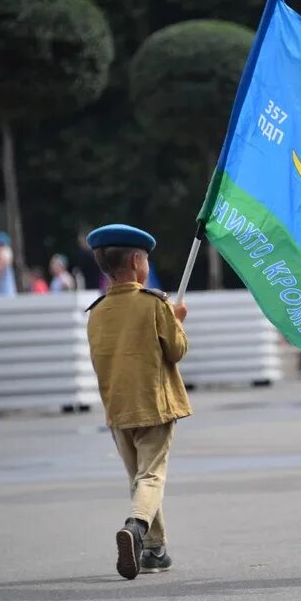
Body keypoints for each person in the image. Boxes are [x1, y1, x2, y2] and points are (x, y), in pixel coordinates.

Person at [85, 223, 192, 579]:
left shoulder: (96, 312)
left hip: (118, 409)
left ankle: (153, 549)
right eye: (146, 258)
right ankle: (135, 528)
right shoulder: (154, 303)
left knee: (139, 479)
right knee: (152, 476)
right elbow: (175, 351)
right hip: (154, 404)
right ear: (136, 261)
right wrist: (177, 321)